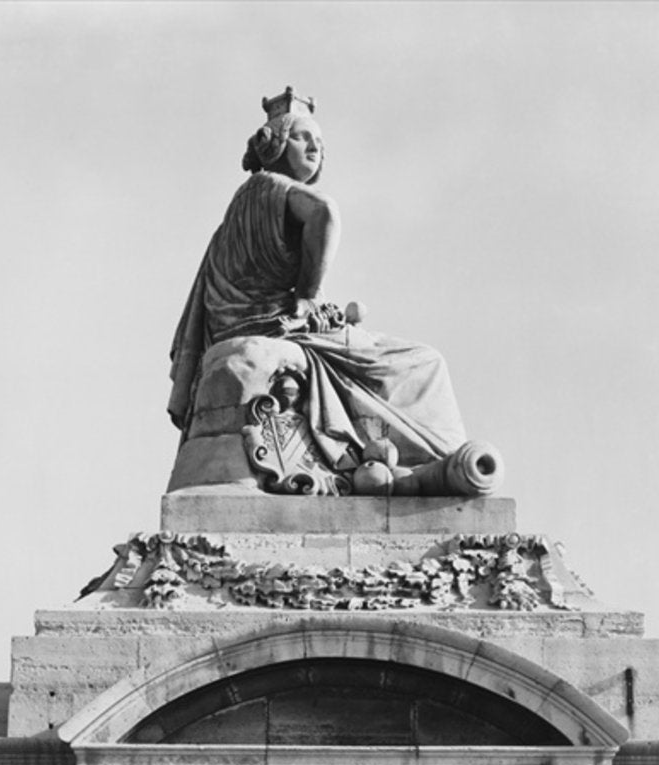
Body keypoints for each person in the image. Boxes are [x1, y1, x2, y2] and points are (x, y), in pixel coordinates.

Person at [167, 88, 469, 492]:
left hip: (256, 326)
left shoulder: (243, 205)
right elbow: (324, 212)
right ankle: (438, 466)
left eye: (319, 142)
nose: (314, 147)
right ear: (274, 146)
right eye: (301, 137)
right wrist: (309, 296)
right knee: (425, 363)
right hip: (278, 328)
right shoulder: (269, 187)